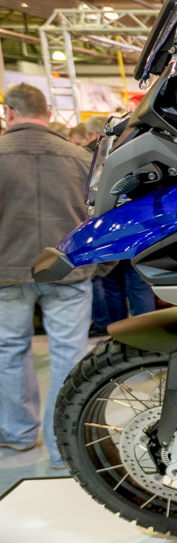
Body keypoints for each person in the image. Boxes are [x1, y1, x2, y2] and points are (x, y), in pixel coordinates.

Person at [0, 83, 95, 468]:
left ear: (9, 112)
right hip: (68, 270)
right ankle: (63, 444)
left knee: (9, 351)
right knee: (70, 353)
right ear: (49, 113)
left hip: (7, 272)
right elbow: (101, 217)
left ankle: (19, 433)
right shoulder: (81, 157)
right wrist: (94, 266)